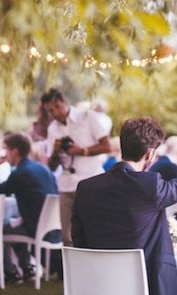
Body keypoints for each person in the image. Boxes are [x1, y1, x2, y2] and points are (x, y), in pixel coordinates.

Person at [72, 100, 177, 295]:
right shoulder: (150, 187)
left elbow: (79, 240)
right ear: (150, 154)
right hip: (147, 286)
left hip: (98, 284)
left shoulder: (86, 188)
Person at [44, 88, 111, 245]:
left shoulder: (87, 117)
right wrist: (55, 152)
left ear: (65, 102)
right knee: (67, 237)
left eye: (57, 107)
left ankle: (94, 269)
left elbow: (107, 146)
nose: (54, 113)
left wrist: (81, 151)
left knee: (92, 233)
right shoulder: (52, 128)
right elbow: (51, 166)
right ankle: (72, 269)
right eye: (50, 111)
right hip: (66, 185)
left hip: (90, 182)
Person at [0, 132, 59, 282]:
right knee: (13, 225)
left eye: (6, 149)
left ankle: (10, 273)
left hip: (34, 227)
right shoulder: (43, 168)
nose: (5, 154)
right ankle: (27, 268)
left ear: (14, 151)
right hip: (52, 226)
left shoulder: (21, 173)